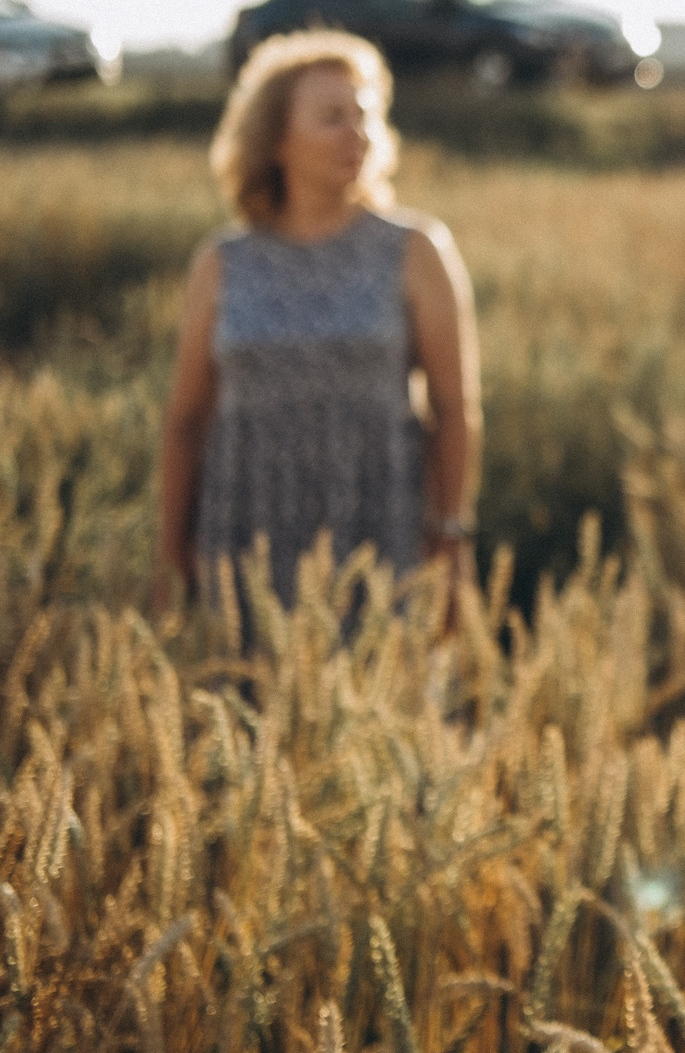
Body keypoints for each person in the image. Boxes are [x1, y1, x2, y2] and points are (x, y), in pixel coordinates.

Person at [156, 32, 481, 631]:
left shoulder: (414, 249)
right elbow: (185, 421)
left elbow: (455, 409)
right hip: (244, 533)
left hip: (379, 531)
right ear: (275, 139)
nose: (355, 134)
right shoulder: (223, 261)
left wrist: (452, 536)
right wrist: (169, 547)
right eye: (331, 118)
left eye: (364, 116)